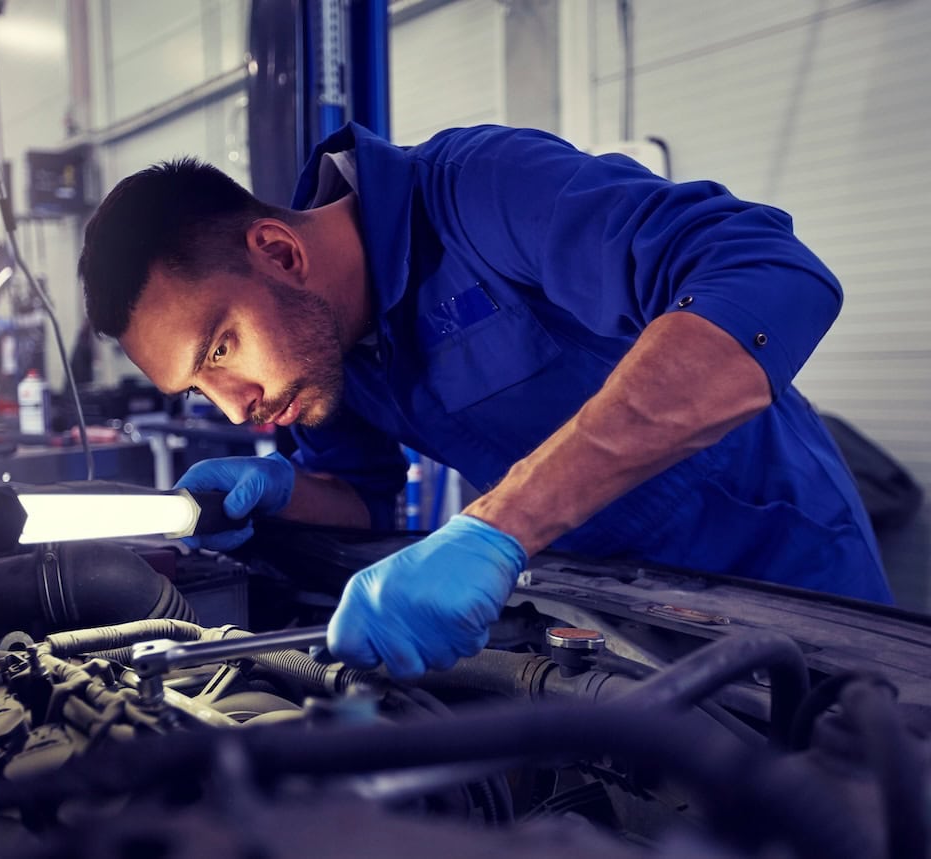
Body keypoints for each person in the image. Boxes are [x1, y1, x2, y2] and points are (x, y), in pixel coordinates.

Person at [77, 123, 894, 678]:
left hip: (792, 587)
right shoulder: (323, 354)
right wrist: (286, 491)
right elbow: (364, 497)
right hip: (607, 619)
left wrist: (499, 527)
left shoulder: (484, 191)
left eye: (220, 348)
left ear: (279, 251)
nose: (233, 404)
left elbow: (771, 276)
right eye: (198, 384)